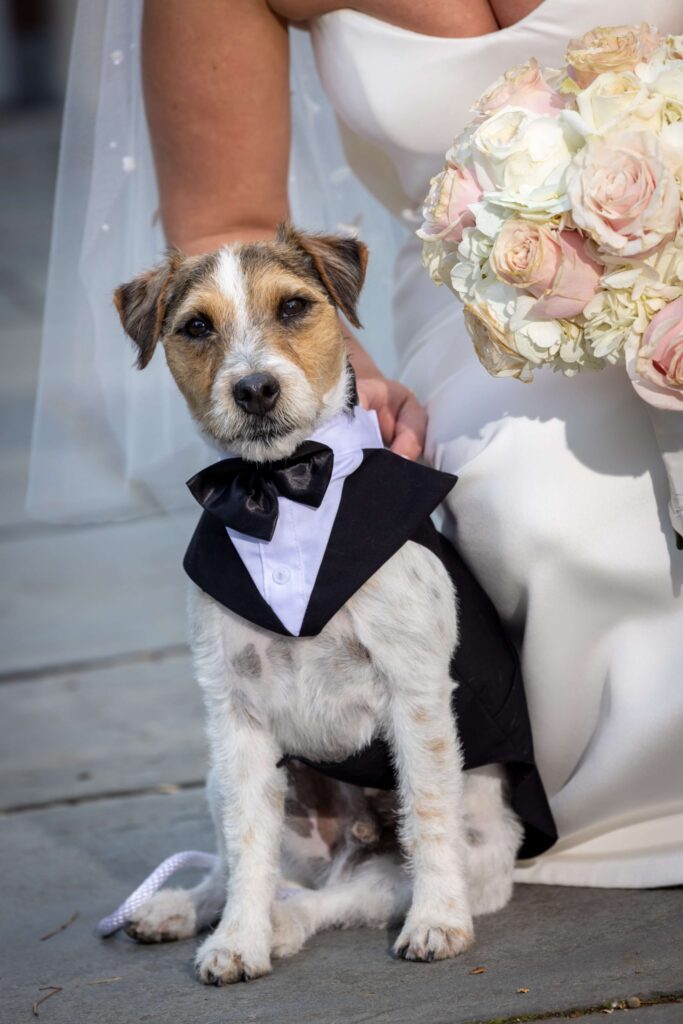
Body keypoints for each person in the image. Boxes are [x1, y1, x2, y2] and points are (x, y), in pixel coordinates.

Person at [32, 0, 683, 886]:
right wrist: (343, 372)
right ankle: (545, 804)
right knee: (531, 502)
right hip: (475, 290)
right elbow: (226, 221)